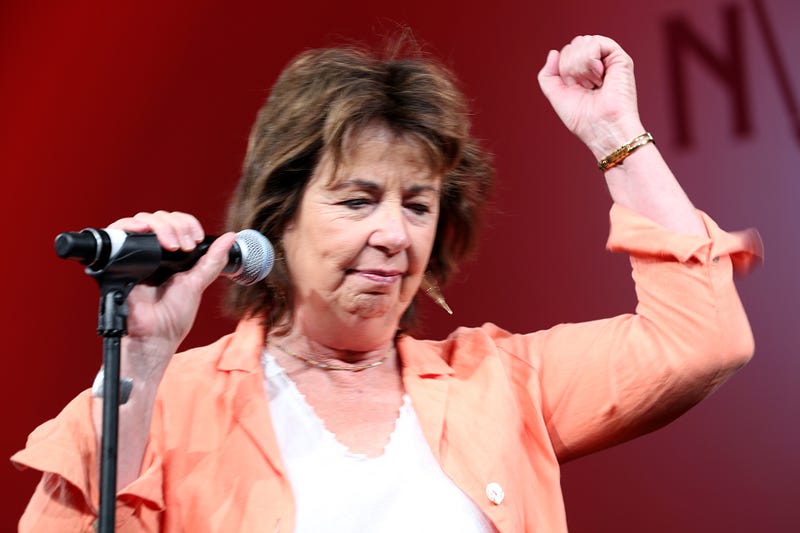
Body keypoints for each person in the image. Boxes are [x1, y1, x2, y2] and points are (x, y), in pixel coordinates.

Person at [13, 34, 761, 532]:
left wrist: (613, 133)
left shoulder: (502, 383)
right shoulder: (168, 402)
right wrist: (141, 363)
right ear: (279, 216)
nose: (396, 234)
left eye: (418, 204)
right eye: (358, 200)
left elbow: (701, 340)